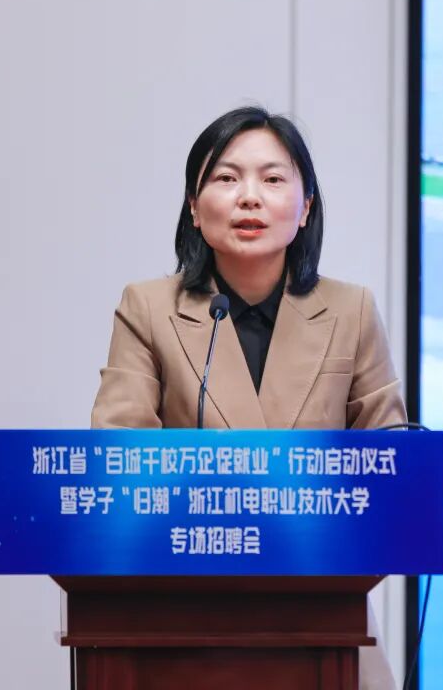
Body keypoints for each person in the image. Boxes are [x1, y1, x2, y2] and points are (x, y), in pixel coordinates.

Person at [91, 106, 405, 690]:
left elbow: (390, 469)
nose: (249, 197)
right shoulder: (148, 308)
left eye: (273, 178)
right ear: (194, 206)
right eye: (226, 177)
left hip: (322, 617)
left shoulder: (351, 311)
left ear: (306, 207)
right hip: (178, 616)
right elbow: (119, 456)